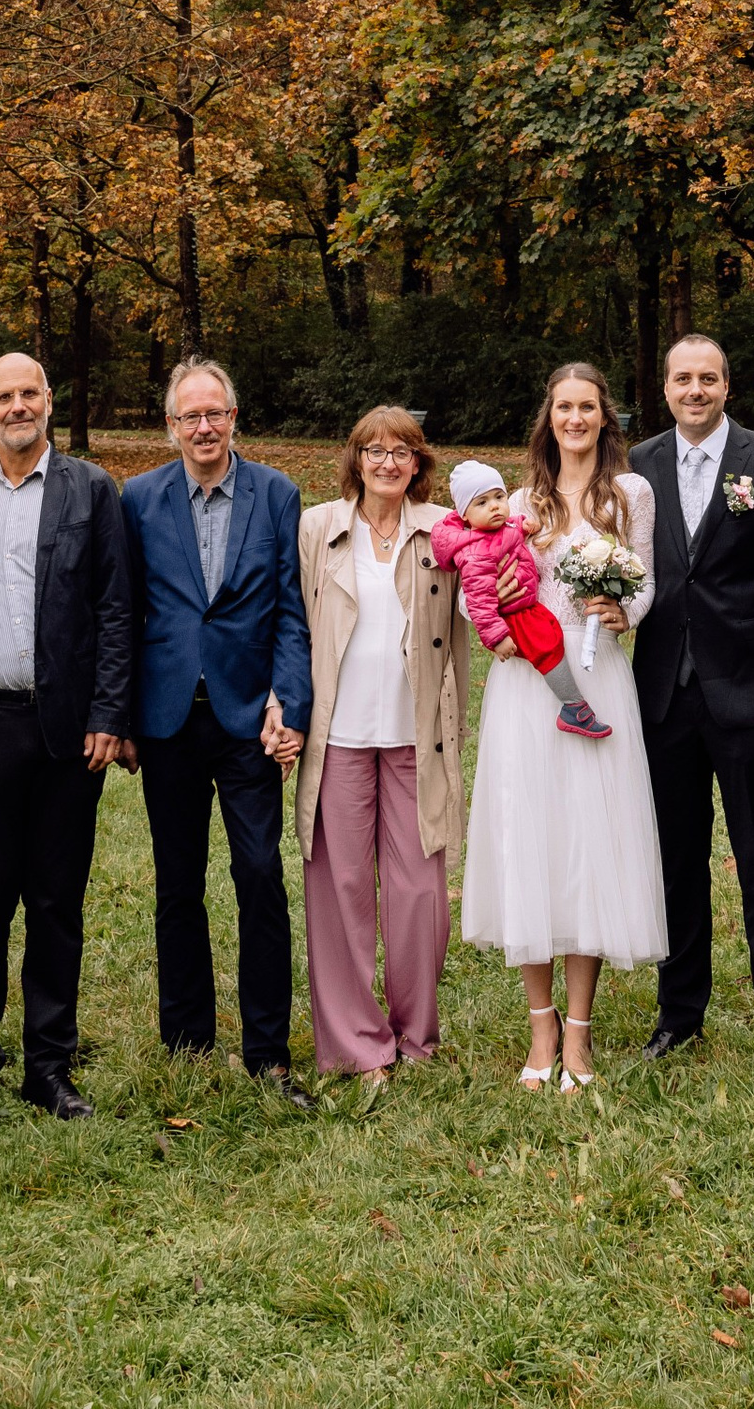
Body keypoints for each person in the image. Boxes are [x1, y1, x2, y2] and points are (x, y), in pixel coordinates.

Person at [0, 351, 134, 1134]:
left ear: (49, 402)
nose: (18, 407)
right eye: (3, 398)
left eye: (30, 394)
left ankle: (49, 1066)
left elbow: (117, 609)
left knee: (57, 902)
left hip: (66, 729)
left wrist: (109, 714)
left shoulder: (90, 489)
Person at [458, 362, 664, 1090]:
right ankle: (539, 1027)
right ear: (547, 418)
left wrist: (623, 611)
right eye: (562, 408)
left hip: (598, 678)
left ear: (605, 418)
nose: (574, 419)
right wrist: (496, 617)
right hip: (525, 688)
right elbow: (472, 585)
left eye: (587, 407)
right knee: (534, 845)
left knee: (591, 846)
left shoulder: (629, 493)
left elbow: (646, 579)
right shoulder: (517, 501)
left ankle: (579, 1034)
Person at [630, 335, 754, 1088]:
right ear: (666, 387)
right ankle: (679, 1013)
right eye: (683, 379)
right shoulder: (639, 465)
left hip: (748, 696)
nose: (695, 390)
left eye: (708, 378)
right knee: (676, 863)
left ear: (727, 385)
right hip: (665, 697)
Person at [122, 360, 314, 1104]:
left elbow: (293, 612)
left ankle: (268, 1053)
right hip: (167, 720)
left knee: (260, 877)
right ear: (170, 425)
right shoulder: (138, 499)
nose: (204, 427)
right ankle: (188, 1043)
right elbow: (126, 614)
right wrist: (125, 717)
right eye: (188, 416)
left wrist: (286, 704)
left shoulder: (276, 494)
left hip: (246, 720)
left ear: (235, 417)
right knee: (178, 886)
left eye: (216, 414)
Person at [296, 408, 468, 1074]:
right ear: (356, 458)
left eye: (402, 451)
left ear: (419, 463)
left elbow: (480, 597)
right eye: (374, 450)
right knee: (338, 887)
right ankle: (354, 1043)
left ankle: (415, 1037)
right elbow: (295, 619)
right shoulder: (318, 526)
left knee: (419, 891)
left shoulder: (443, 530)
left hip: (414, 735)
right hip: (338, 734)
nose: (388, 462)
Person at [436, 465, 616, 735]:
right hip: (513, 615)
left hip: (528, 606)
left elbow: (509, 530)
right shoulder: (474, 555)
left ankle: (572, 704)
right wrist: (497, 638)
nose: (495, 507)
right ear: (464, 514)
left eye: (499, 497)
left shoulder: (497, 529)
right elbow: (480, 603)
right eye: (482, 502)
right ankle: (573, 707)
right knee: (547, 647)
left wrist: (523, 525)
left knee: (552, 637)